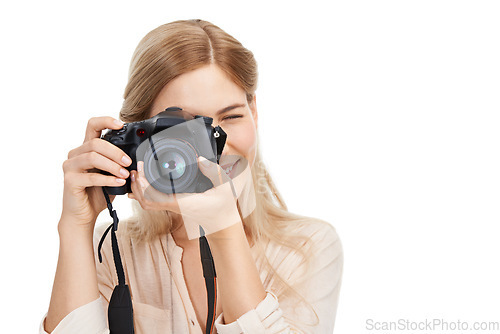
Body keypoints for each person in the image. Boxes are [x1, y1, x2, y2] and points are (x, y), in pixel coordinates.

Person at [40, 19, 343, 334]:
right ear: (141, 135)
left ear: (255, 111)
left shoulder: (308, 247)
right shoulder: (113, 248)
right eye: (186, 126)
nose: (213, 146)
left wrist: (224, 228)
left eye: (232, 116)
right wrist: (76, 226)